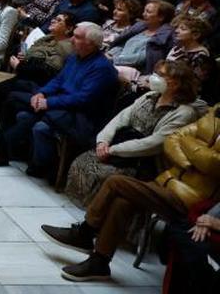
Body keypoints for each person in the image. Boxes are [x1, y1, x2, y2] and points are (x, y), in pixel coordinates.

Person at [40, 103, 220, 283]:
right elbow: (172, 140)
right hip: (167, 181)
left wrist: (189, 144)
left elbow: (213, 164)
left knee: (116, 182)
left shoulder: (194, 113)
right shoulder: (214, 113)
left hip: (192, 199)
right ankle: (100, 262)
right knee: (123, 200)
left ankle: (85, 232)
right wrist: (192, 158)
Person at [0, 23, 116, 180]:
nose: (71, 40)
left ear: (91, 44)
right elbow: (58, 80)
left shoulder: (101, 68)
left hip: (79, 116)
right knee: (13, 100)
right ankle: (8, 149)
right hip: (61, 104)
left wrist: (49, 103)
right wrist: (42, 93)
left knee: (31, 118)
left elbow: (82, 99)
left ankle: (6, 152)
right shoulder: (75, 58)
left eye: (77, 37)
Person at [64, 60, 206, 208]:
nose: (154, 77)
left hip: (143, 160)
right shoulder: (150, 96)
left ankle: (92, 216)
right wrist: (103, 141)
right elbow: (121, 118)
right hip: (120, 145)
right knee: (82, 161)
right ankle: (85, 211)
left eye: (161, 75)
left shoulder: (184, 113)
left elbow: (153, 144)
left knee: (103, 174)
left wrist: (113, 150)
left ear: (176, 83)